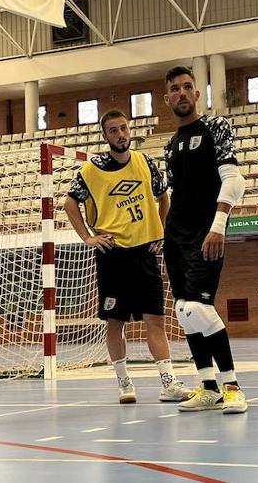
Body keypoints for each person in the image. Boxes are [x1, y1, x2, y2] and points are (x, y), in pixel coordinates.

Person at [64, 109, 190, 404]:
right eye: (113, 130)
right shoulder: (90, 171)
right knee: (115, 322)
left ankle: (168, 383)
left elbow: (163, 196)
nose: (120, 135)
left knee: (156, 320)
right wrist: (87, 237)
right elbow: (70, 204)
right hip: (113, 256)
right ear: (105, 136)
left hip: (145, 253)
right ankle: (123, 383)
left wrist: (159, 230)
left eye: (123, 128)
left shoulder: (145, 162)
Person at [163, 65, 248, 414]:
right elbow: (174, 194)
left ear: (197, 94)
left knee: (198, 307)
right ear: (167, 98)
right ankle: (208, 387)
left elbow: (234, 180)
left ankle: (232, 386)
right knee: (186, 314)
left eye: (187, 87)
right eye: (174, 89)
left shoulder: (216, 127)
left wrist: (219, 224)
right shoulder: (169, 145)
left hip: (205, 232)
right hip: (175, 236)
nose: (181, 93)